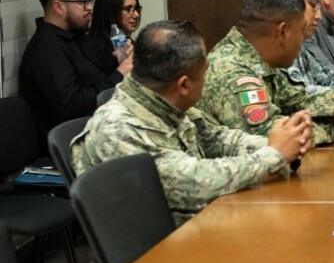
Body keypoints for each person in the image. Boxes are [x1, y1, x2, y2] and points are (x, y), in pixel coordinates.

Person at [71, 20, 312, 224]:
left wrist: (282, 141)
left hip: (194, 224)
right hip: (158, 251)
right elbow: (194, 182)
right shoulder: (119, 128)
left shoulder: (162, 100)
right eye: (204, 75)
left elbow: (215, 138)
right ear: (184, 85)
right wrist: (272, 155)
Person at [195, 0, 334, 145]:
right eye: (300, 31)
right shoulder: (232, 70)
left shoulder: (261, 60)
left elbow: (301, 100)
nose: (303, 41)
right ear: (282, 32)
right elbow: (270, 135)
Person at [18, 0, 130, 142]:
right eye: (83, 2)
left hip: (100, 127)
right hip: (75, 142)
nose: (90, 8)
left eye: (90, 1)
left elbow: (96, 77)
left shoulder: (76, 36)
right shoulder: (47, 49)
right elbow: (71, 107)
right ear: (58, 7)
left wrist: (120, 60)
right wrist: (120, 73)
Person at [79, 0, 142, 76]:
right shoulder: (93, 48)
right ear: (110, 12)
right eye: (128, 9)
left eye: (136, 8)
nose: (136, 15)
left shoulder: (128, 42)